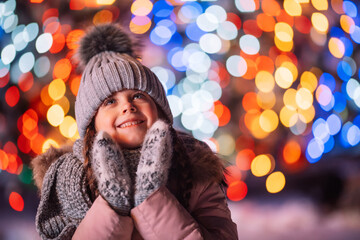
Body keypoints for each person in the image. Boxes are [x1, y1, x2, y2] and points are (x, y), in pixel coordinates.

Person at [31, 23, 238, 240]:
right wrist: (113, 205)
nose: (127, 107)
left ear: (159, 111)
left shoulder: (194, 168)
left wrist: (151, 197)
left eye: (138, 96)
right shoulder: (69, 181)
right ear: (92, 124)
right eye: (110, 101)